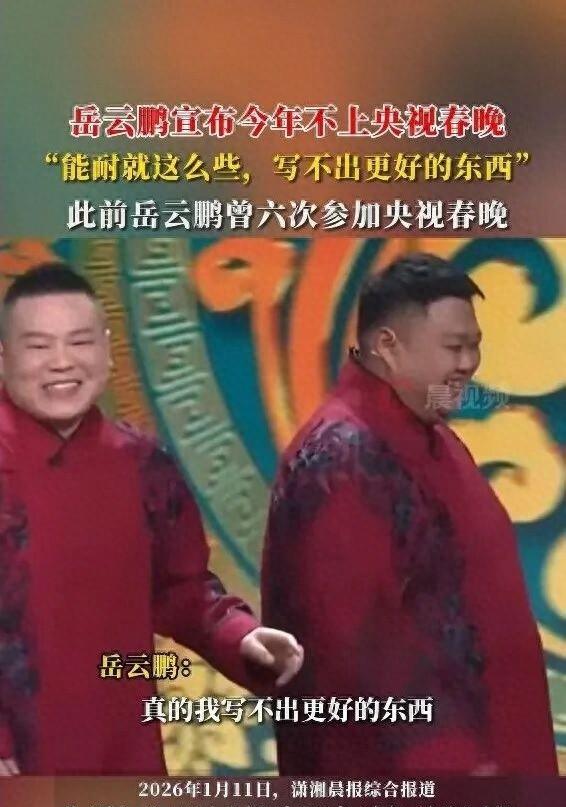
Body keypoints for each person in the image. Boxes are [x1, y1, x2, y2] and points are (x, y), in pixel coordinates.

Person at [0, 262, 303, 775]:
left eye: (79, 342)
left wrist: (242, 638)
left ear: (106, 349)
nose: (62, 362)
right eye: (38, 346)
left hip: (124, 758)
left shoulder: (142, 462)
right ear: (4, 356)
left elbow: (182, 590)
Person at [262, 252, 557, 776]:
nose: (469, 363)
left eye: (474, 346)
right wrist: (454, 764)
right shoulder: (341, 457)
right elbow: (353, 646)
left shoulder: (437, 441)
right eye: (453, 347)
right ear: (388, 346)